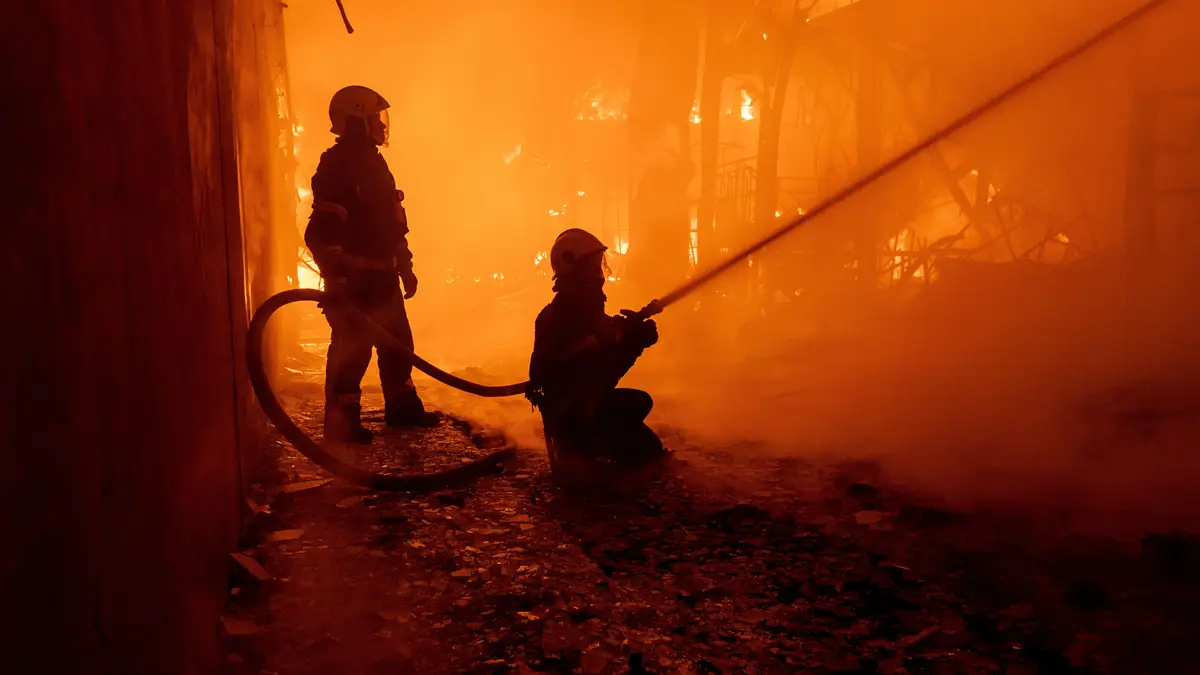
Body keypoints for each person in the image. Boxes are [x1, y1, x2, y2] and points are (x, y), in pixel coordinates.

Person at [304, 85, 439, 444]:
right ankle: (342, 424)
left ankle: (403, 410)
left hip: (382, 275)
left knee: (398, 345)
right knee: (352, 350)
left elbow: (392, 221)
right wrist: (337, 278)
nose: (382, 125)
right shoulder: (335, 166)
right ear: (356, 121)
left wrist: (404, 264)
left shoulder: (375, 163)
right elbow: (321, 229)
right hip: (355, 279)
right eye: (375, 118)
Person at [526, 229, 667, 468]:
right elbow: (596, 376)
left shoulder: (571, 312)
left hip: (575, 418)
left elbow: (598, 372)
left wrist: (629, 340)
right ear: (572, 267)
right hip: (577, 421)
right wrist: (632, 342)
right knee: (640, 407)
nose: (598, 274)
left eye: (597, 265)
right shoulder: (569, 316)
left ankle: (589, 448)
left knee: (648, 441)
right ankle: (585, 450)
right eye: (590, 266)